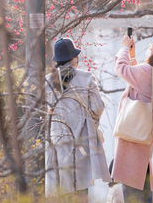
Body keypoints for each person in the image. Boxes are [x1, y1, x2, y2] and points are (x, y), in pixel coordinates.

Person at [112, 34, 153, 203]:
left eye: (152, 45)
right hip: (146, 134)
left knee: (131, 186)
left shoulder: (149, 71)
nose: (150, 47)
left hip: (133, 133)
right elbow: (139, 80)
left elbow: (121, 69)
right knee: (143, 182)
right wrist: (133, 57)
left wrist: (125, 48)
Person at [45, 38, 111, 202]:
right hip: (81, 143)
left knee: (60, 191)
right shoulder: (86, 77)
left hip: (56, 143)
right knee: (81, 192)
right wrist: (92, 123)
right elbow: (98, 107)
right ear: (74, 58)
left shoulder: (46, 81)